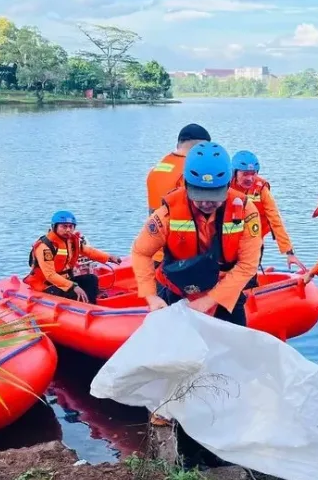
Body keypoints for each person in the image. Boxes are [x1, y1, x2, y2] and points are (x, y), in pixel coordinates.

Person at [130, 140, 263, 427]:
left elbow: (247, 265)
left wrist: (210, 300)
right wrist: (151, 296)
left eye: (214, 195)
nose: (206, 202)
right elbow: (141, 252)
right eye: (199, 194)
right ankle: (166, 407)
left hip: (224, 291)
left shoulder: (247, 211)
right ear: (186, 185)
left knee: (233, 349)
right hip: (178, 290)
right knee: (172, 353)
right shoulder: (167, 212)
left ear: (228, 185)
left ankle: (230, 406)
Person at [145, 123, 211, 264]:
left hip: (155, 250)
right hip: (181, 256)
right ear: (201, 147)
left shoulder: (156, 169)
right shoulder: (191, 173)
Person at [23, 211, 121, 305]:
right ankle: (82, 309)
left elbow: (89, 251)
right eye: (64, 226)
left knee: (92, 279)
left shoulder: (72, 241)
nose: (68, 230)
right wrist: (73, 286)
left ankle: (91, 305)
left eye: (71, 226)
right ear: (54, 227)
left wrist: (109, 257)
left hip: (65, 280)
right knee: (74, 293)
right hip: (46, 285)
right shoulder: (45, 247)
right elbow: (50, 275)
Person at [229, 150, 304, 270]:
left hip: (254, 240)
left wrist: (289, 253)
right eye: (245, 174)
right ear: (234, 172)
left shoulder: (261, 188)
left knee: (249, 276)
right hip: (229, 239)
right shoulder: (225, 185)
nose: (250, 178)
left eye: (253, 174)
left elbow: (275, 219)